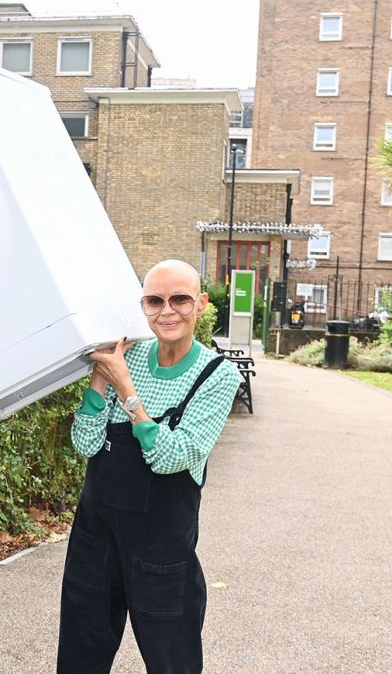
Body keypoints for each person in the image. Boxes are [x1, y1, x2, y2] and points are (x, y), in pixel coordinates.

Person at [57, 259, 242, 674]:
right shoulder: (129, 356)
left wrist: (125, 388)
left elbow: (171, 456)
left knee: (171, 660)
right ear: (142, 305)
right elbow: (86, 441)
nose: (167, 311)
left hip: (161, 552)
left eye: (180, 299)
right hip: (95, 540)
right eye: (154, 301)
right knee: (79, 653)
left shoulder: (216, 375)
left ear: (201, 304)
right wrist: (102, 375)